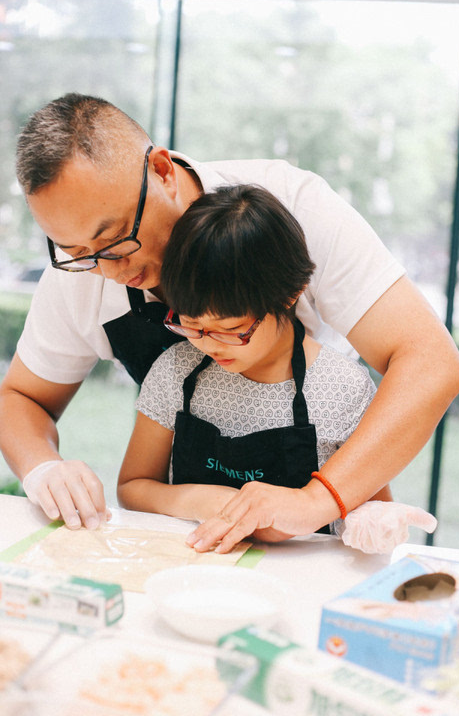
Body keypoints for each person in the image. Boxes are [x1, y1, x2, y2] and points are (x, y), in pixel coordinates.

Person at [0, 93, 459, 531]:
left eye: (117, 237)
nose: (107, 269)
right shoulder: (80, 273)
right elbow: (20, 398)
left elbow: (430, 364)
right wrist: (42, 467)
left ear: (162, 170)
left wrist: (316, 502)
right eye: (77, 250)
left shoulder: (292, 209)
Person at [117, 185, 437, 553]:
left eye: (231, 329)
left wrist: (373, 522)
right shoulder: (177, 370)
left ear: (289, 294)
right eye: (191, 324)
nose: (207, 343)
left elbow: (369, 505)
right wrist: (207, 502)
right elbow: (132, 486)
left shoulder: (341, 389)